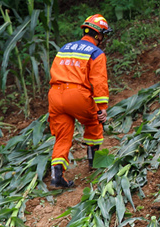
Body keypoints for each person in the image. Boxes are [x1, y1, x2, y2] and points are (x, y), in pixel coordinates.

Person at [48, 14, 113, 188]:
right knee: (93, 121)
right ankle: (94, 162)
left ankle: (56, 176)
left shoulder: (65, 48)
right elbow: (99, 82)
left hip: (55, 94)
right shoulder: (96, 53)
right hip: (76, 95)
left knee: (62, 136)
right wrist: (102, 108)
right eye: (103, 35)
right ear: (98, 35)